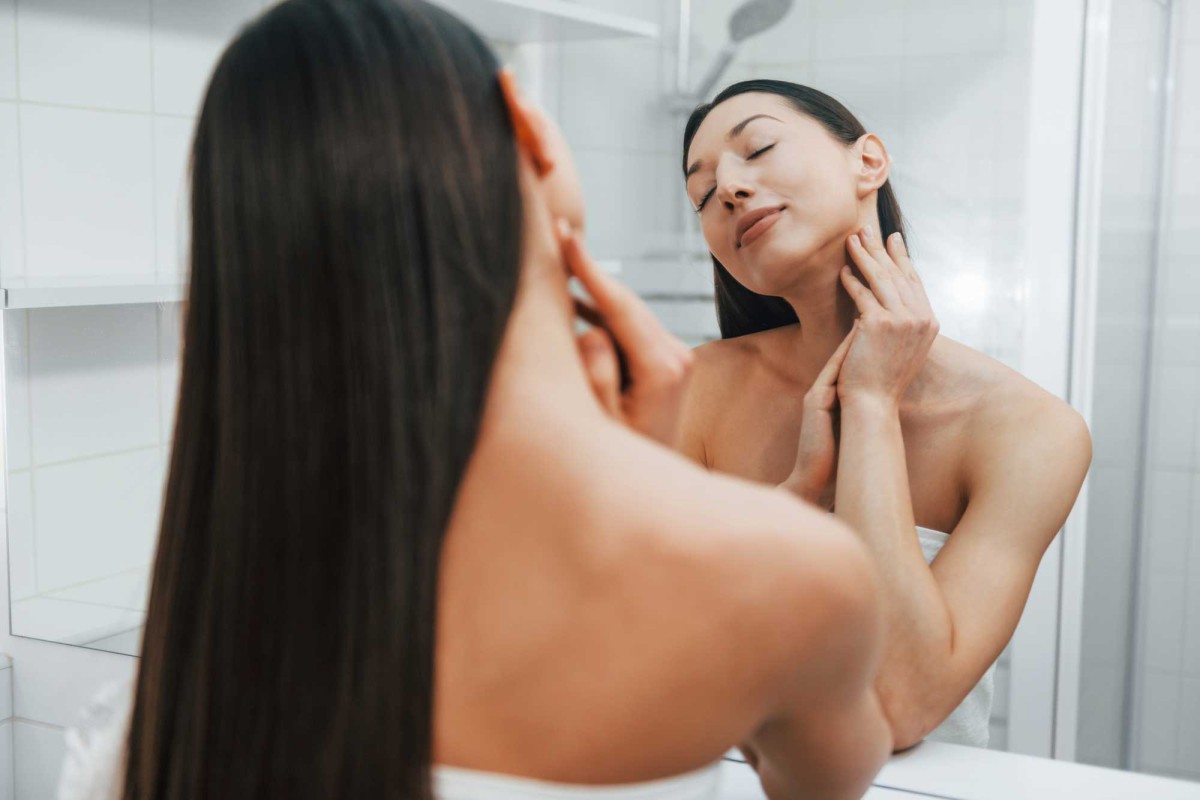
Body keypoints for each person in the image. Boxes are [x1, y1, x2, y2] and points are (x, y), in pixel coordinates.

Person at [58, 5, 892, 800]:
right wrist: (667, 488)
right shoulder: (789, 578)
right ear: (524, 129)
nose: (730, 195)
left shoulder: (200, 654)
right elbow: (823, 779)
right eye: (703, 190)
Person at [678, 80, 1092, 749]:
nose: (727, 188)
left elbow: (899, 706)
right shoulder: (694, 390)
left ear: (868, 162)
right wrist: (794, 498)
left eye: (758, 147)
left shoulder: (1031, 430)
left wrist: (870, 403)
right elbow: (654, 652)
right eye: (701, 195)